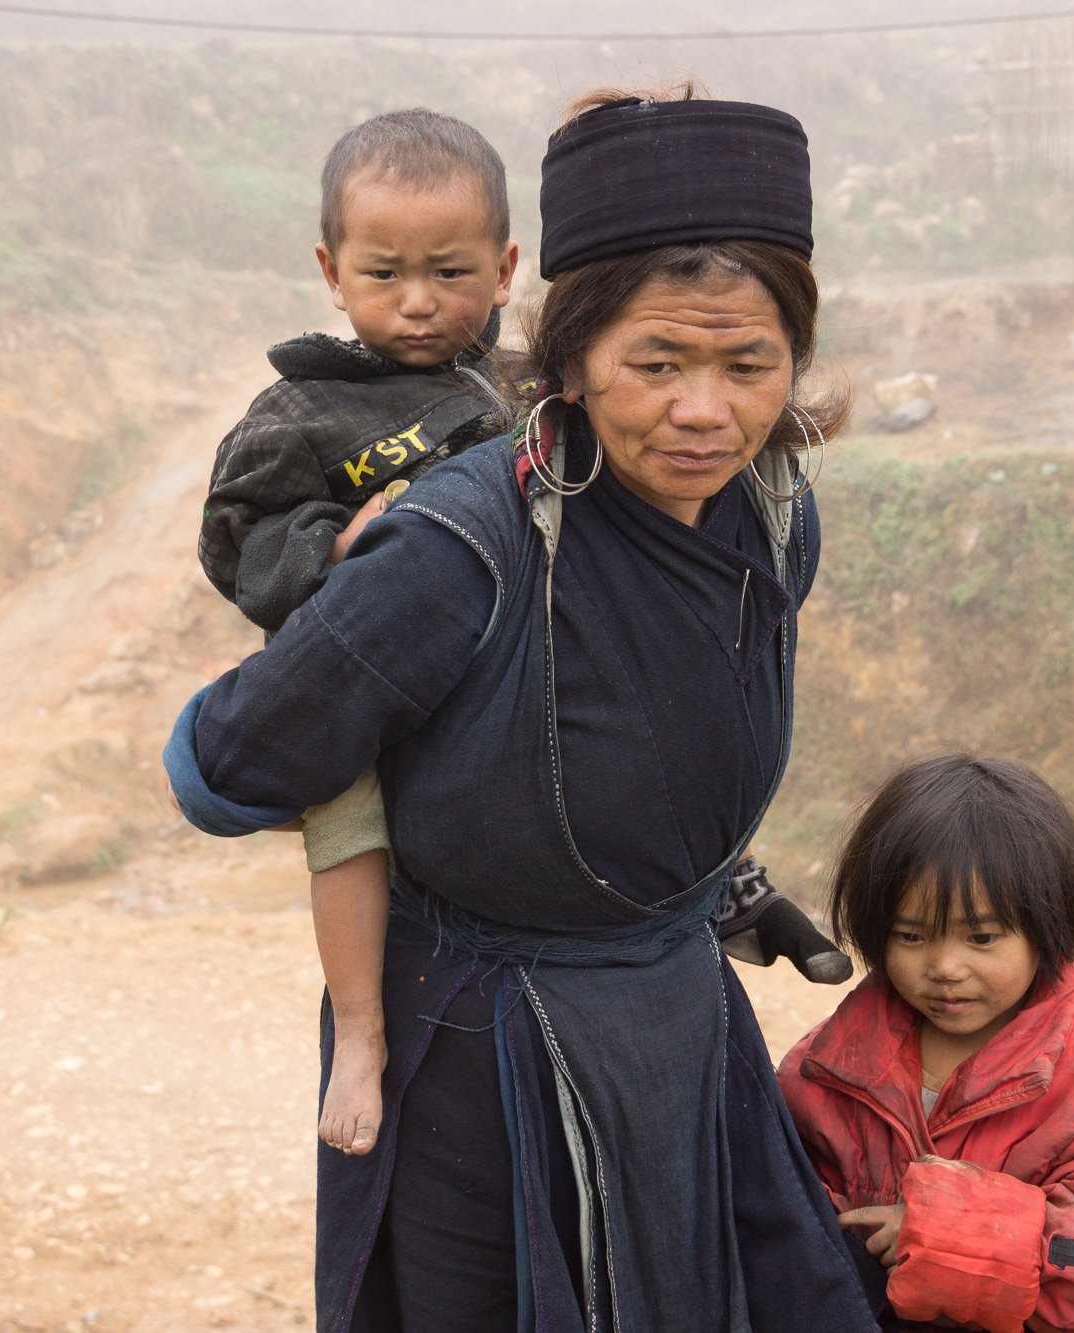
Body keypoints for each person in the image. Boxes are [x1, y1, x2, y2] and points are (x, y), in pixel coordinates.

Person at [165, 89, 885, 1332]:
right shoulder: (459, 540)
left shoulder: (774, 512)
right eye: (656, 362)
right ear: (568, 356)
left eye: (747, 363)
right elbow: (227, 762)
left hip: (674, 1026)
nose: (703, 408)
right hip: (484, 1063)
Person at [194, 107, 520, 1159]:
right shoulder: (302, 408)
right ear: (332, 271)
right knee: (348, 825)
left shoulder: (526, 387)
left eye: (450, 271)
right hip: (359, 679)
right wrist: (334, 548)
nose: (419, 302)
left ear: (507, 266)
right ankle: (362, 1034)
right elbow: (233, 534)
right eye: (385, 274)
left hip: (498, 666)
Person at [777, 753, 1074, 1333]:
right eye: (911, 935)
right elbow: (782, 1197)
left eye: (981, 937)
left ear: (1051, 927)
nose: (944, 967)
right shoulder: (828, 1065)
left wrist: (943, 1235)